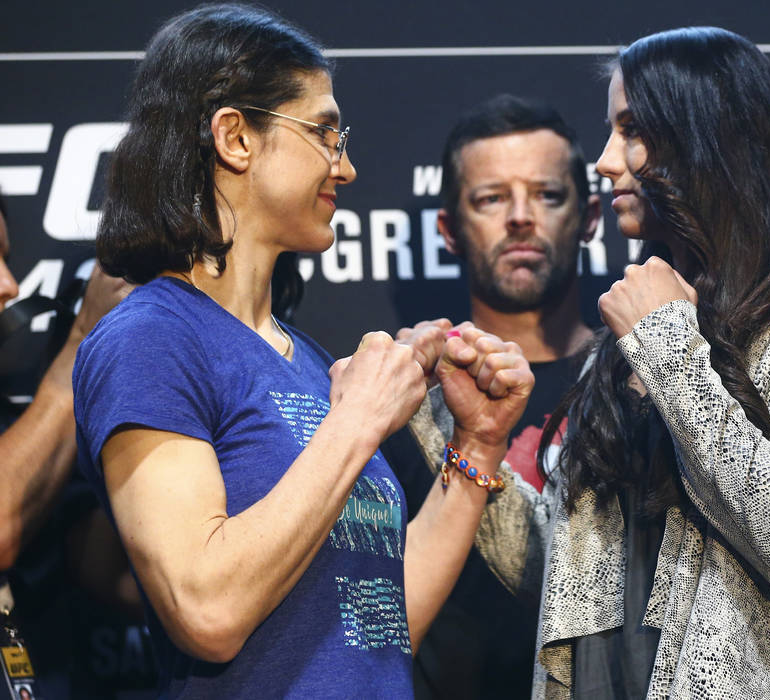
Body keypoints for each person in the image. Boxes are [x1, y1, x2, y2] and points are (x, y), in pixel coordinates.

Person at [403, 26, 770, 699]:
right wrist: (468, 438)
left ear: (708, 139)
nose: (607, 161)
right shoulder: (620, 340)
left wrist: (668, 339)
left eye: (632, 130)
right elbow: (565, 573)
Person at [72, 4, 532, 698]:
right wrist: (357, 423)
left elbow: (381, 621)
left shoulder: (311, 361)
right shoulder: (151, 339)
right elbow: (207, 610)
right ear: (235, 138)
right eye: (323, 132)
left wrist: (480, 447)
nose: (345, 167)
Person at [382, 94, 599, 699]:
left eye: (548, 195)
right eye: (491, 198)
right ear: (449, 230)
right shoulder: (402, 397)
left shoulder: (645, 378)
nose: (521, 218)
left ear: (591, 217)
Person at [0, 193, 145, 698]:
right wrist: (84, 337)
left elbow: (105, 576)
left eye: (6, 258)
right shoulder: (42, 412)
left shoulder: (17, 423)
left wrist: (137, 378)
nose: (11, 285)